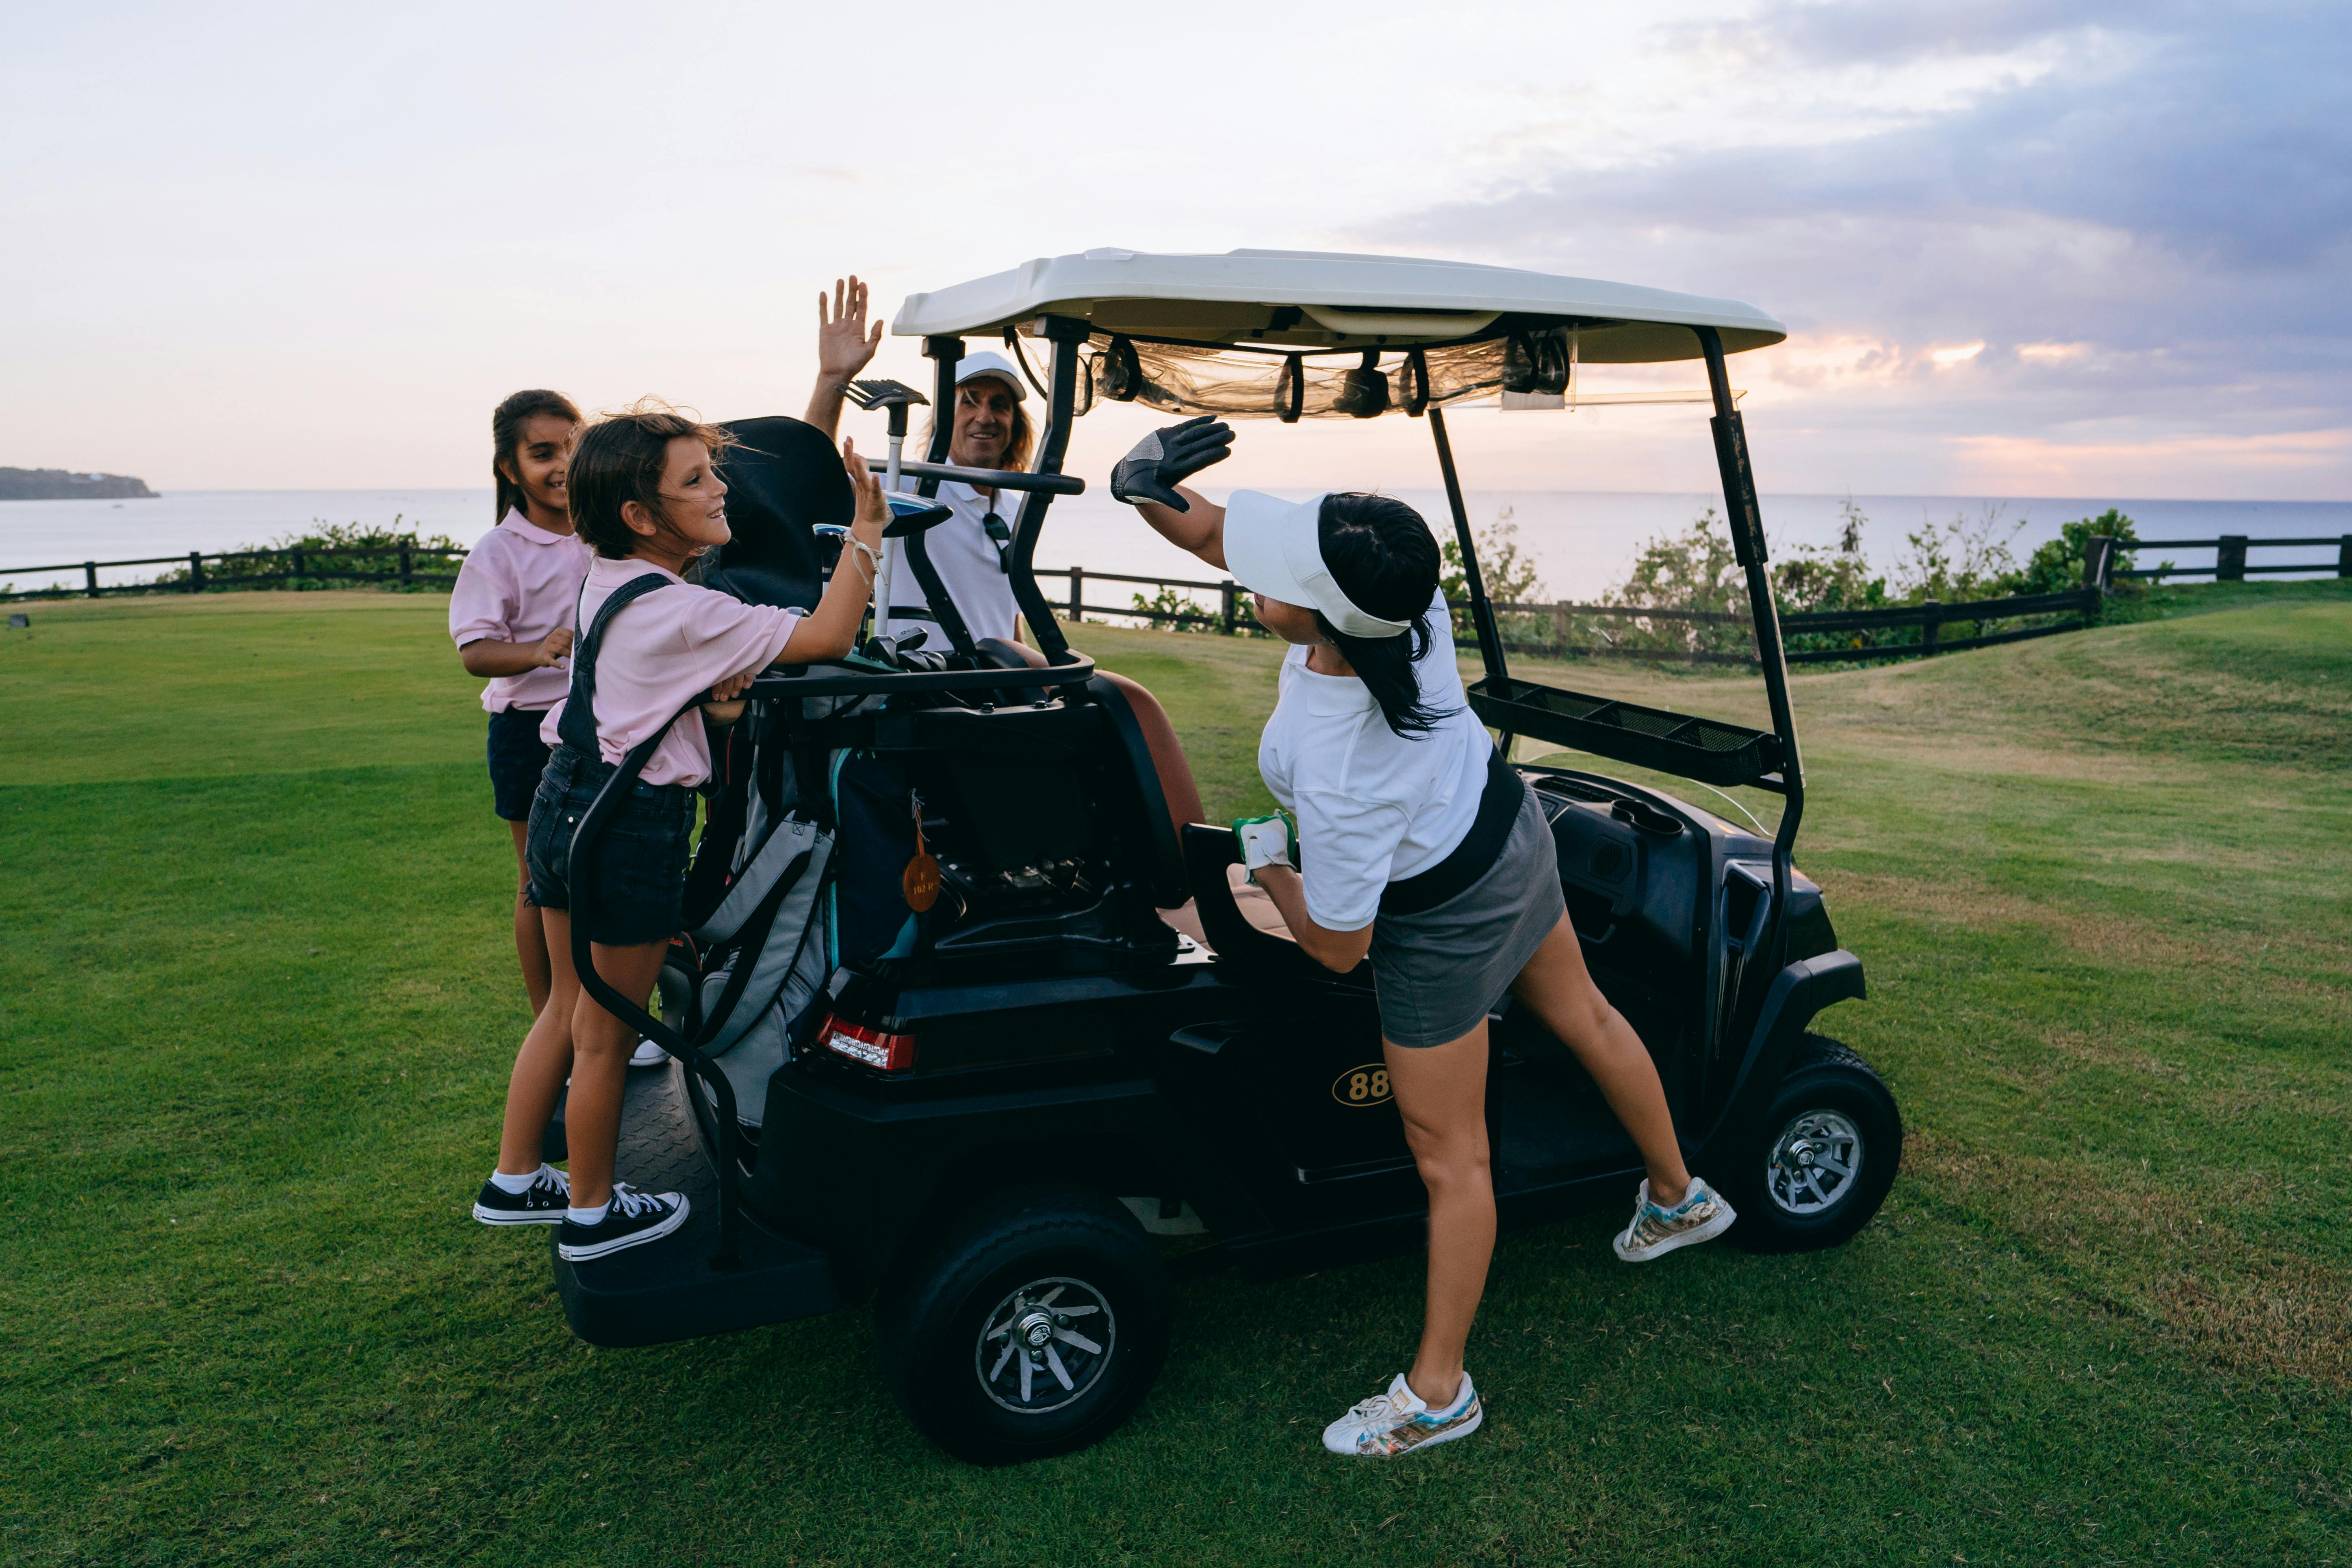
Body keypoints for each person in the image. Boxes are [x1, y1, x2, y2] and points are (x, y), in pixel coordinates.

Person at [1111, 416, 1737, 1458]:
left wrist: (1268, 860)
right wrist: (1142, 482)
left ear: (1304, 612)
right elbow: (1217, 536)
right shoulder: (1402, 596)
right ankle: (1678, 1196)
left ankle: (1439, 1392)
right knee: (1583, 1011)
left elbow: (1338, 949)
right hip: (1507, 831)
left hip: (1443, 916)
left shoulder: (1340, 762)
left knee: (1450, 1157)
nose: (1240, 569)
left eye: (1267, 573)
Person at [472, 402, 891, 1262]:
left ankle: (516, 1176)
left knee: (562, 1006)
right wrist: (866, 534)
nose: (720, 489)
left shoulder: (606, 573)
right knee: (606, 1033)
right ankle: (592, 1213)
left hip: (566, 801)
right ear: (640, 515)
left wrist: (709, 700)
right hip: (627, 829)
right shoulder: (685, 611)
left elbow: (646, 684)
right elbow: (830, 633)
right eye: (694, 480)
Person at [449, 389, 592, 1021]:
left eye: (572, 447)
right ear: (510, 469)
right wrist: (536, 651)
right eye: (543, 453)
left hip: (599, 724)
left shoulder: (604, 532)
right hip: (527, 731)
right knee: (540, 882)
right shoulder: (497, 551)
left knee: (596, 877)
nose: (562, 464)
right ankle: (552, 1022)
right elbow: (476, 651)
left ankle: (599, 1013)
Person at [802, 275, 1031, 645]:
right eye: (969, 402)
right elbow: (812, 475)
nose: (985, 416)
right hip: (928, 684)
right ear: (943, 417)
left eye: (999, 405)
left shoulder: (1015, 507)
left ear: (1015, 423)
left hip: (996, 686)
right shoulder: (907, 489)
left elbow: (1006, 617)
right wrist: (833, 376)